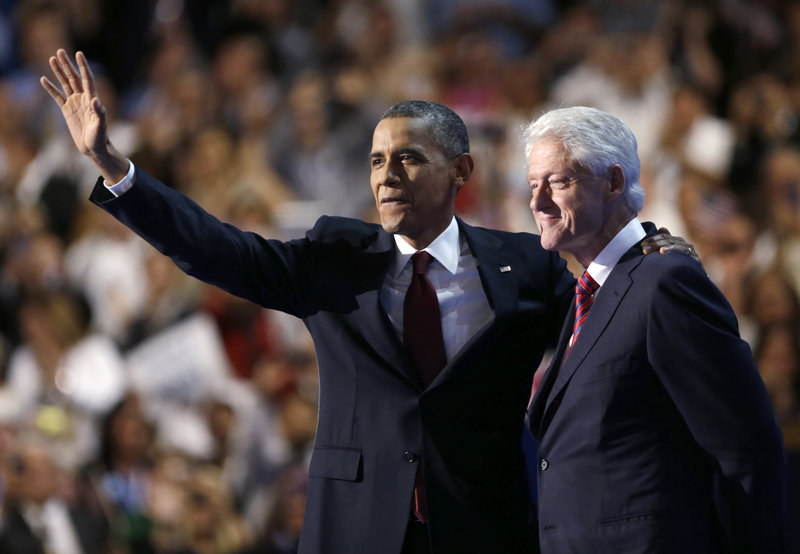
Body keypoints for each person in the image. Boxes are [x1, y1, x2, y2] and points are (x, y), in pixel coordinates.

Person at [41, 50, 693, 554]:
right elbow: (219, 249)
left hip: (480, 528)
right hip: (354, 529)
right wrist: (112, 166)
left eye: (408, 159)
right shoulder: (335, 260)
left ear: (460, 173)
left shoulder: (523, 263)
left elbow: (601, 314)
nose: (387, 174)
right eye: (379, 160)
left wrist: (647, 250)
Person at [524, 106, 788, 553]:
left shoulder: (666, 283)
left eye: (558, 181)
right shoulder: (587, 294)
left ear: (613, 182)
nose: (537, 202)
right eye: (533, 185)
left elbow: (746, 448)